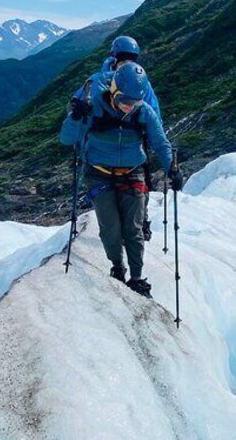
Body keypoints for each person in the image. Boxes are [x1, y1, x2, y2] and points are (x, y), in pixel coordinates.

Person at [59, 62, 183, 297]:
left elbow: (160, 142)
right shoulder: (92, 107)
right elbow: (66, 139)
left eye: (134, 102)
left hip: (130, 173)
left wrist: (172, 169)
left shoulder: (143, 110)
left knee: (133, 229)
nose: (129, 107)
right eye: (125, 101)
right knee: (111, 229)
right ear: (114, 90)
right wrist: (75, 117)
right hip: (99, 173)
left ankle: (136, 278)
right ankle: (118, 266)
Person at [74, 35, 160, 241]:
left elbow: (77, 106)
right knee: (138, 183)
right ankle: (137, 224)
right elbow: (154, 112)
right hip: (129, 142)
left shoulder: (98, 80)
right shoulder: (138, 83)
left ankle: (128, 225)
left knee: (117, 185)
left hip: (108, 145)